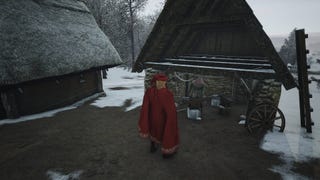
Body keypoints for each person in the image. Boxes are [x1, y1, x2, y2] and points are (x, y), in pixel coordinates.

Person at [138, 73, 179, 159]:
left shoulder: (149, 91)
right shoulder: (168, 94)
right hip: (163, 119)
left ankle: (153, 147)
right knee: (165, 132)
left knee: (154, 132)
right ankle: (166, 153)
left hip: (152, 118)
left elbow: (145, 107)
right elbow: (171, 112)